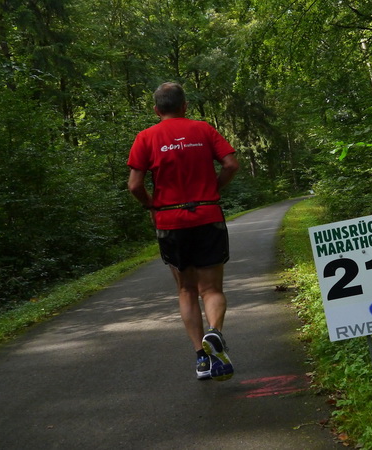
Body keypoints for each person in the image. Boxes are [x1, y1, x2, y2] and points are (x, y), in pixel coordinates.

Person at [127, 82, 239, 381]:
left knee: (186, 290)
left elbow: (134, 185)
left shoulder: (146, 137)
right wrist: (213, 189)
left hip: (170, 221)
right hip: (207, 214)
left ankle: (201, 358)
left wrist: (152, 206)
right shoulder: (203, 130)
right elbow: (231, 164)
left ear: (156, 109)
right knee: (211, 289)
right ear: (185, 106)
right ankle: (214, 333)